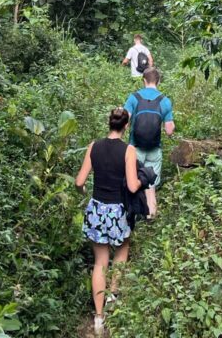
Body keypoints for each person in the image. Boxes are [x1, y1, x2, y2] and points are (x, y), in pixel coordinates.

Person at [75, 107, 141, 336]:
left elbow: (79, 180)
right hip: (117, 210)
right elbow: (132, 186)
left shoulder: (94, 146)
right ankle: (113, 293)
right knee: (123, 247)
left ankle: (98, 318)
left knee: (99, 262)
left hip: (96, 209)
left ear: (109, 124)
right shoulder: (128, 151)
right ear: (126, 127)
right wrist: (143, 181)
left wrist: (84, 190)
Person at [124, 66, 174, 218]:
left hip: (135, 147)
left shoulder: (134, 97)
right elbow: (169, 130)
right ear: (158, 81)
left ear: (144, 80)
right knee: (150, 185)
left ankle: (132, 216)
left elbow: (124, 122)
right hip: (154, 148)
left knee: (133, 181)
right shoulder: (164, 101)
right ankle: (151, 216)